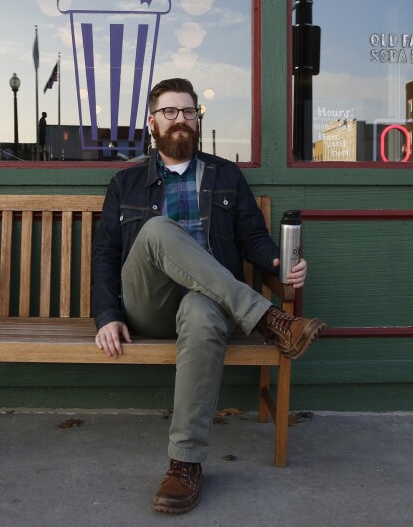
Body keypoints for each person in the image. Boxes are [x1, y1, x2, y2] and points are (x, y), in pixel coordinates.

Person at [92, 78, 325, 514]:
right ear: (151, 123)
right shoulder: (125, 183)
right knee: (158, 229)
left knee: (201, 312)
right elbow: (105, 254)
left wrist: (280, 263)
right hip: (150, 303)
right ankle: (270, 321)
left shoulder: (226, 176)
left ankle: (185, 464)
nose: (180, 120)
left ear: (198, 119)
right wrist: (106, 314)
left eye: (188, 112)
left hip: (211, 303)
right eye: (170, 112)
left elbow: (252, 237)